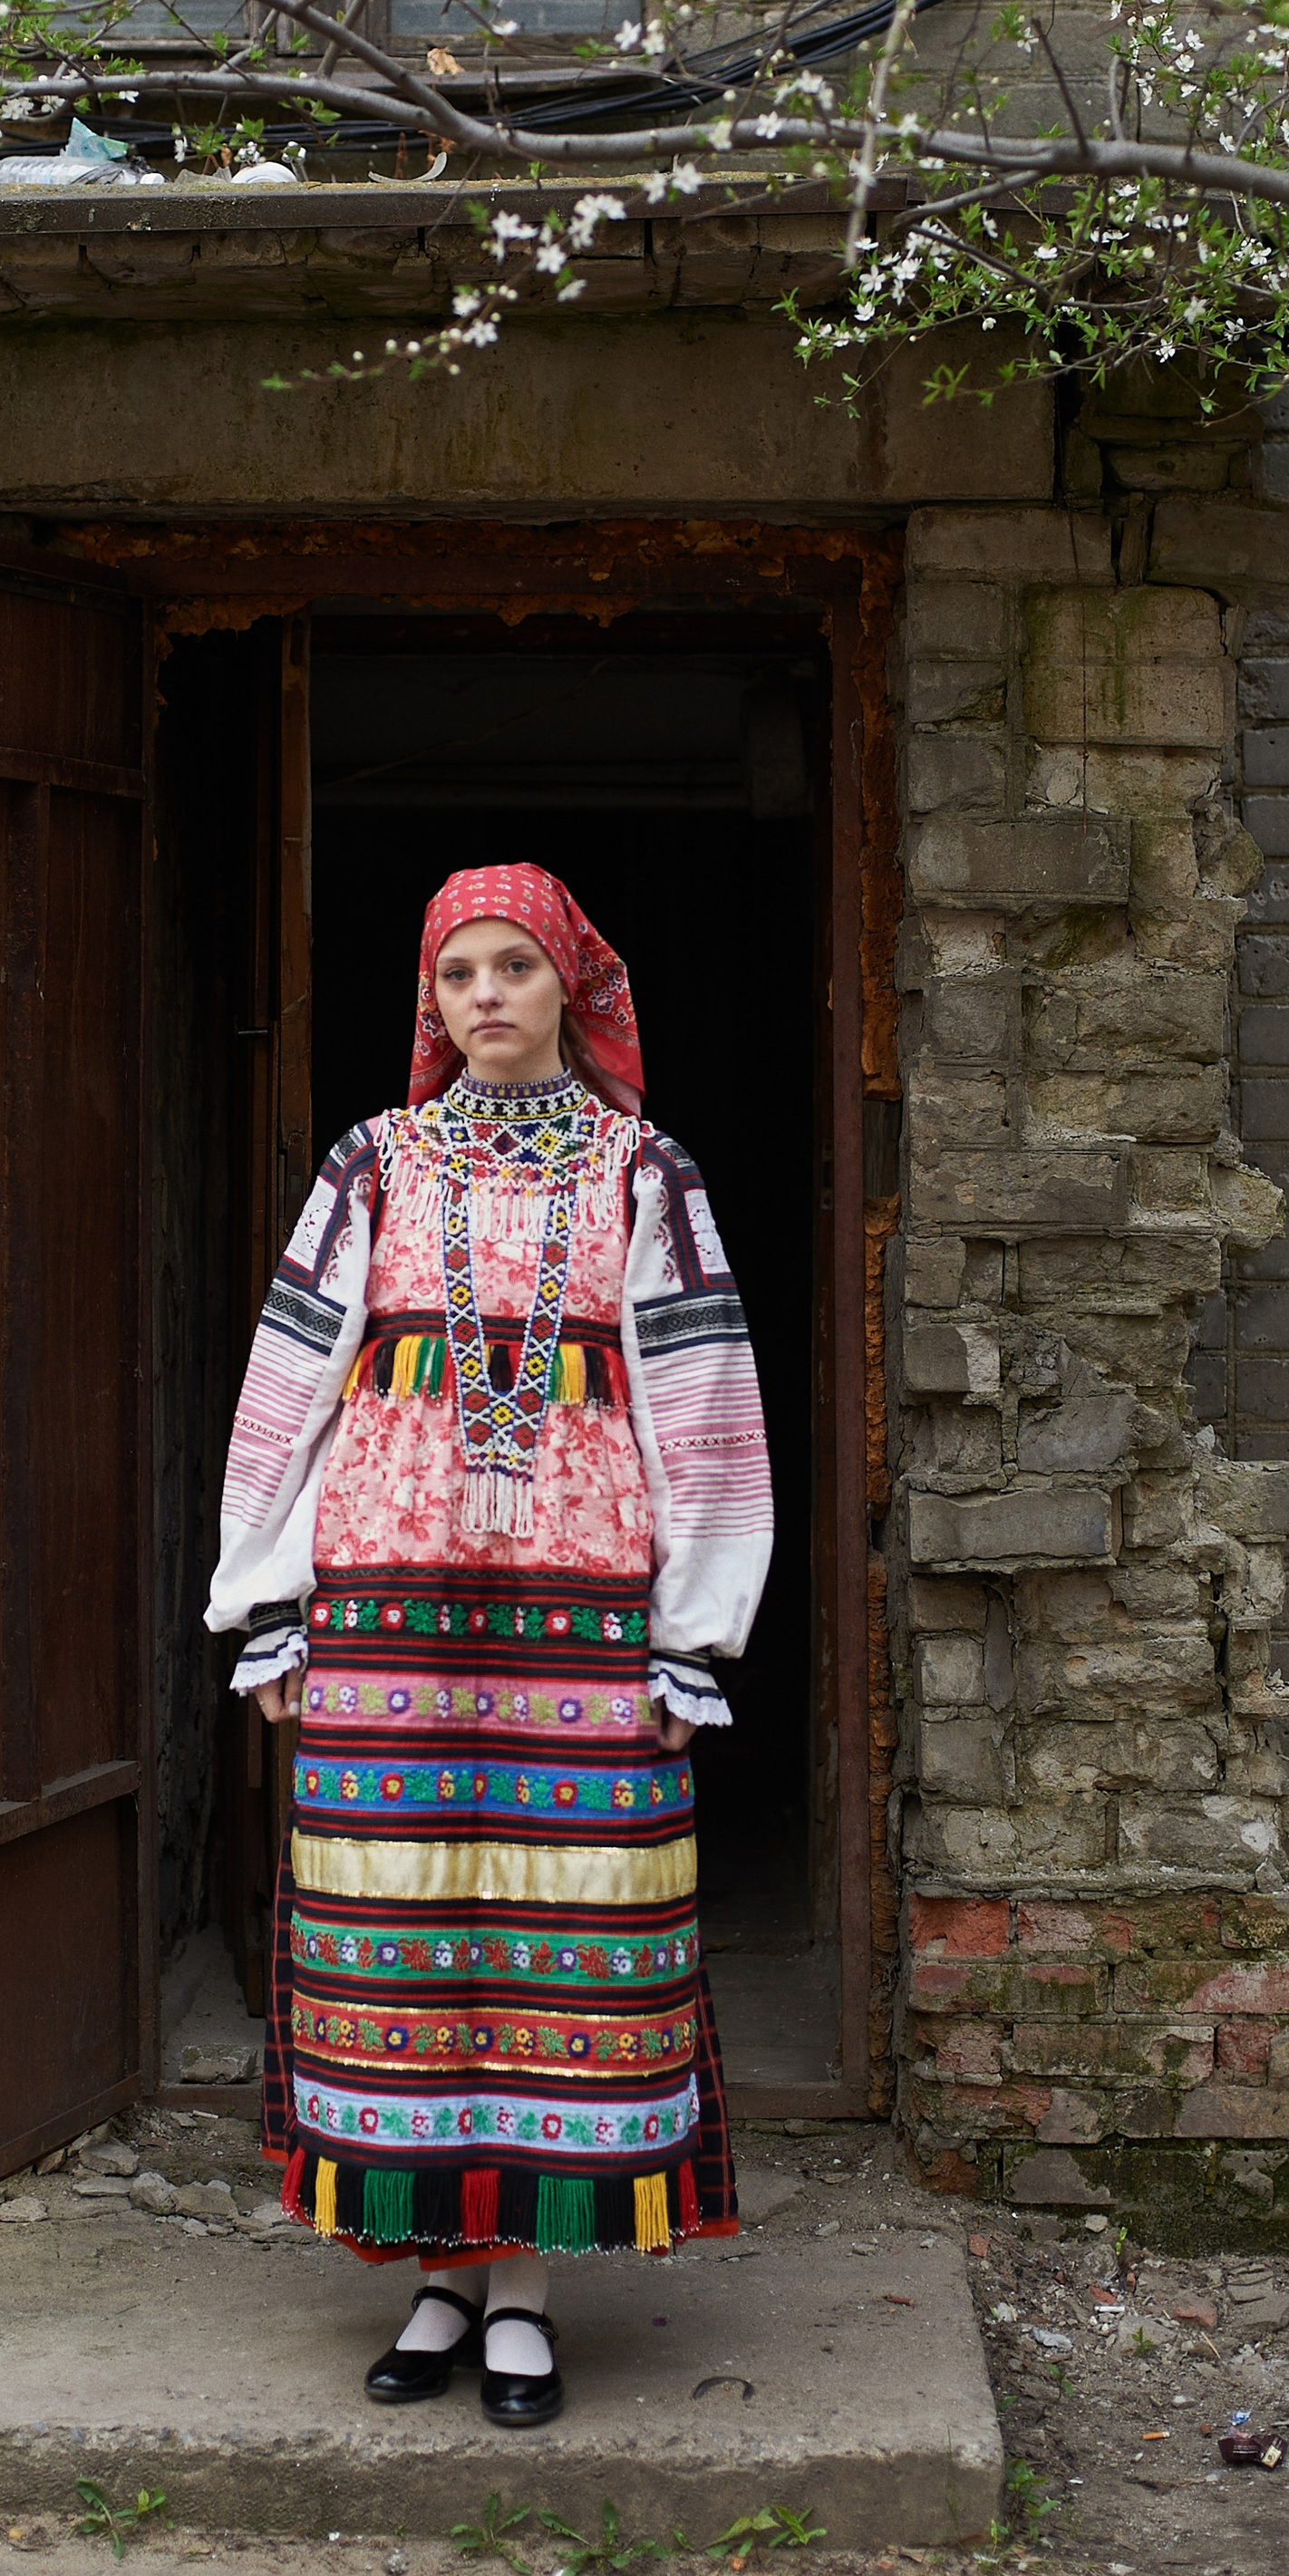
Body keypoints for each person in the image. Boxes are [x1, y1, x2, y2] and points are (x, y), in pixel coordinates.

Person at [205, 863, 772, 2425]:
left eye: (516, 967)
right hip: (384, 1607)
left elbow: (709, 1406)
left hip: (583, 1620)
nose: (488, 998)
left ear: (573, 987)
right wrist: (264, 1610)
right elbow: (286, 1385)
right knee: (407, 1944)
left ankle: (522, 2295)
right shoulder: (372, 1169)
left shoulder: (643, 1174)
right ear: (431, 1002)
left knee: (559, 1945)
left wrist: (693, 1640)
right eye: (460, 975)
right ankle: (434, 2280)